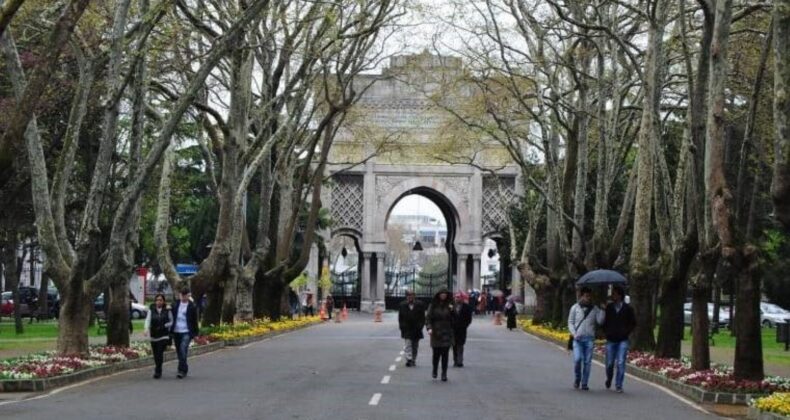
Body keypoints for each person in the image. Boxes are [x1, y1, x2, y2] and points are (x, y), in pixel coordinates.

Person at [568, 286, 605, 390]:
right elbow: (570, 322)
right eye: (586, 296)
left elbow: (600, 321)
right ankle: (577, 378)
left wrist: (603, 309)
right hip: (577, 339)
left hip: (589, 339)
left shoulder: (595, 308)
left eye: (589, 296)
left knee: (587, 362)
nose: (588, 298)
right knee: (577, 359)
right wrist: (574, 333)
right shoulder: (575, 307)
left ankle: (584, 383)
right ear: (581, 296)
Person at [603, 285, 636, 393]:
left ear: (620, 295)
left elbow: (633, 323)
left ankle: (619, 384)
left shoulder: (628, 308)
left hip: (623, 339)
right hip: (611, 339)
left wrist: (626, 331)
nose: (613, 296)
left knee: (621, 362)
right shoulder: (609, 308)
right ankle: (609, 378)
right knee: (609, 363)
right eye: (612, 294)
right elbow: (605, 322)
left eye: (615, 294)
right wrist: (607, 332)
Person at [426, 289, 454, 382]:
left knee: (445, 354)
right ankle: (435, 369)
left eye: (445, 294)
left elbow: (454, 318)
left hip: (446, 332)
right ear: (438, 295)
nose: (443, 295)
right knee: (436, 354)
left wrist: (452, 310)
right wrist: (429, 328)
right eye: (442, 294)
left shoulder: (450, 305)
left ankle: (444, 373)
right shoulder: (433, 305)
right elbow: (428, 318)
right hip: (436, 332)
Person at [171, 287, 199, 379]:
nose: (183, 297)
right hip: (176, 331)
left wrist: (195, 334)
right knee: (180, 352)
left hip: (186, 331)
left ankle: (181, 371)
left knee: (183, 349)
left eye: (185, 295)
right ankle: (184, 367)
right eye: (181, 295)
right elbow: (171, 317)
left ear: (188, 295)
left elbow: (195, 321)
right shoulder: (175, 304)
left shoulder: (192, 306)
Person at [143, 293, 172, 379]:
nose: (158, 302)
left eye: (160, 300)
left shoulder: (167, 310)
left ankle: (158, 371)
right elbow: (147, 320)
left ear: (163, 301)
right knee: (155, 354)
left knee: (159, 353)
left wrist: (165, 326)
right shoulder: (151, 310)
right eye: (157, 300)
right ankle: (158, 366)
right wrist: (146, 329)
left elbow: (171, 321)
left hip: (163, 335)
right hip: (154, 335)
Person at [398, 290, 425, 367]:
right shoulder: (402, 305)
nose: (410, 297)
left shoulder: (420, 304)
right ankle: (409, 359)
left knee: (415, 346)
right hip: (407, 328)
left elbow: (422, 317)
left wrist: (420, 326)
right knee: (408, 344)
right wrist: (402, 327)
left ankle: (413, 359)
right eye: (408, 295)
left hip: (417, 329)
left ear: (414, 296)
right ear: (407, 297)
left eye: (412, 295)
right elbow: (400, 318)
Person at [451, 291, 473, 367]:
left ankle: (460, 361)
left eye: (459, 297)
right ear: (454, 298)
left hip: (462, 329)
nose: (457, 299)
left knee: (460, 345)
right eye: (456, 297)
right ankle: (455, 360)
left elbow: (469, 319)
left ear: (462, 298)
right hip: (453, 329)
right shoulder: (451, 307)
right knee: (454, 346)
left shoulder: (466, 307)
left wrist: (465, 325)